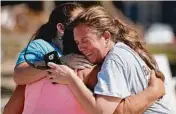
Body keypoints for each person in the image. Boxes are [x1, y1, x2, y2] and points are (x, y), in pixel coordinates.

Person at [4, 4, 165, 114]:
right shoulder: (43, 48)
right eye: (75, 24)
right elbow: (20, 78)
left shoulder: (96, 61)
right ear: (61, 28)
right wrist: (152, 92)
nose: (78, 29)